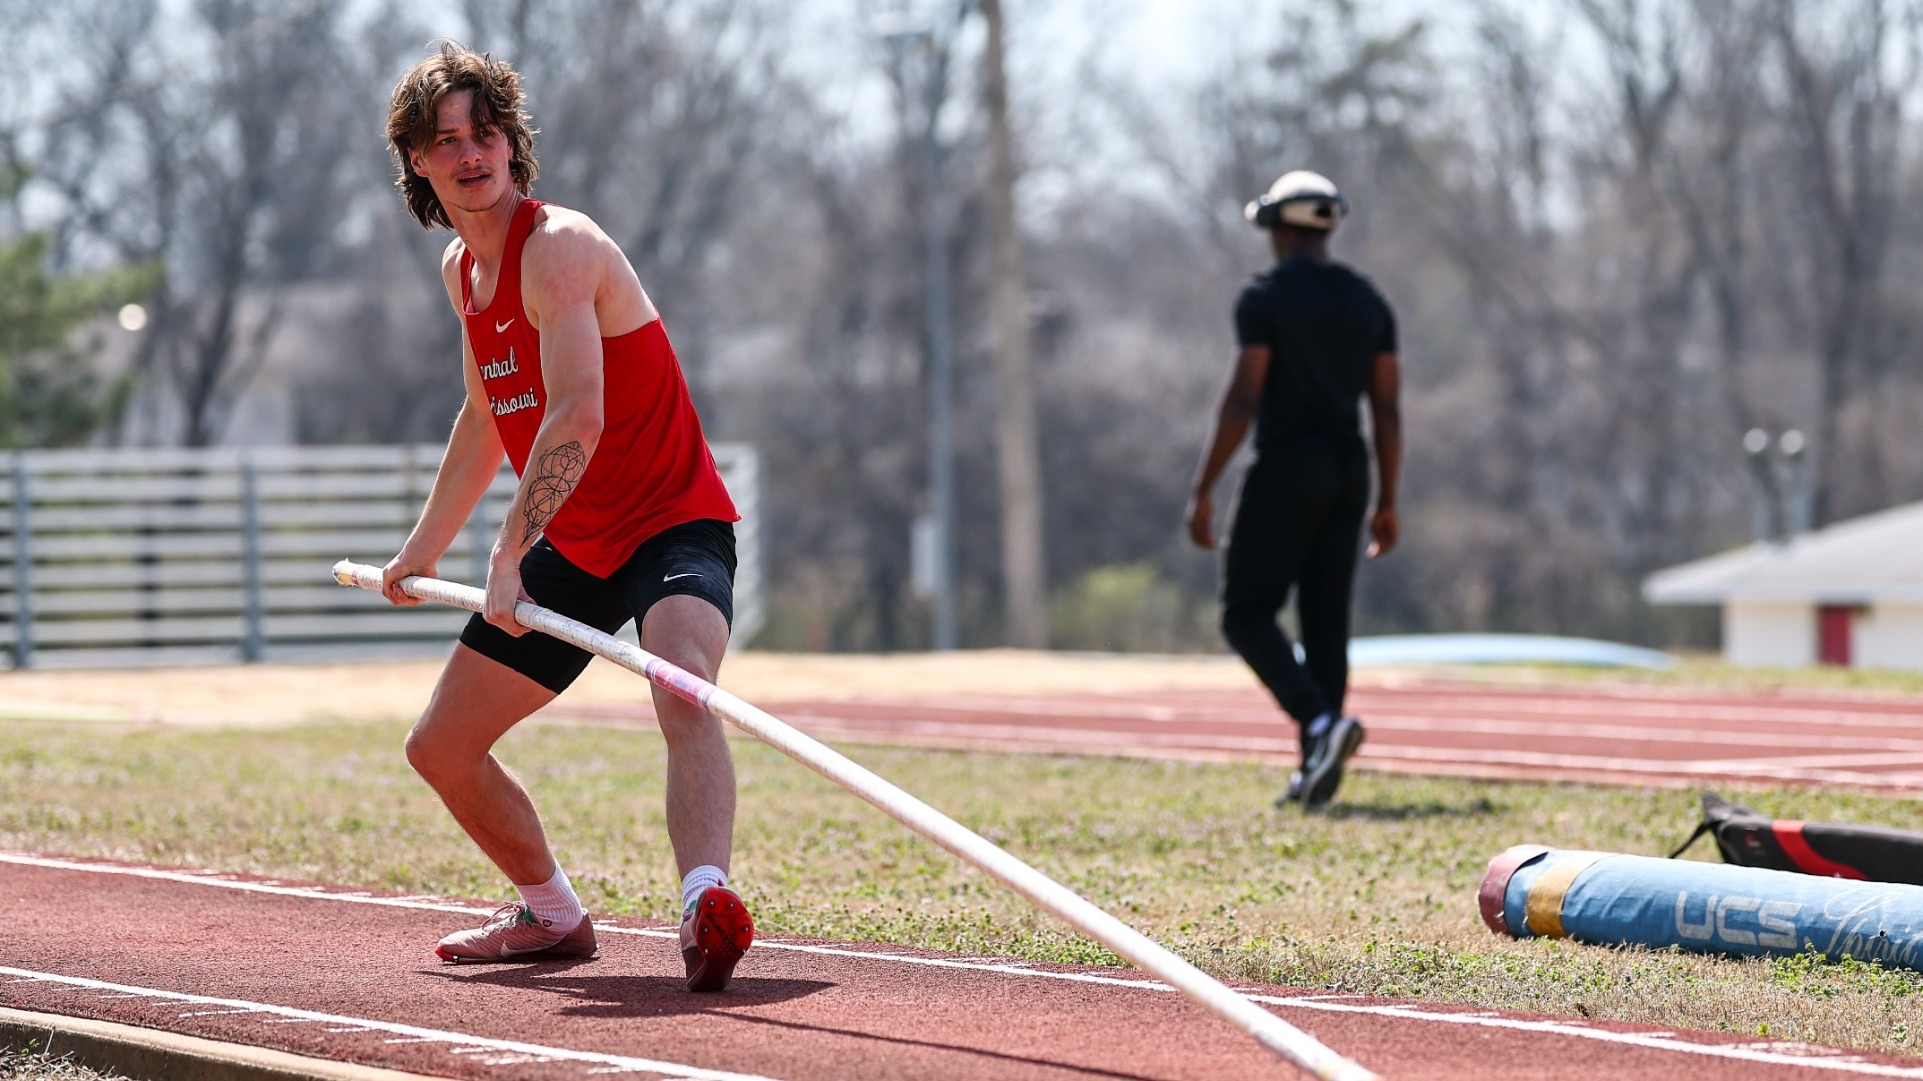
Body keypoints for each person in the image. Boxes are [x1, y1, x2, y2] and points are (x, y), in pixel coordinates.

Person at [377, 41, 753, 991]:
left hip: (671, 522)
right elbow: (480, 419)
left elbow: (576, 412)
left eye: (486, 131)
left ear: (512, 141)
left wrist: (508, 548)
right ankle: (551, 915)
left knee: (681, 682)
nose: (472, 153)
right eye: (446, 140)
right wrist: (419, 551)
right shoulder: (463, 271)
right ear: (418, 161)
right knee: (441, 749)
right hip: (575, 548)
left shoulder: (561, 249)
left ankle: (705, 903)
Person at [1185, 170, 1402, 811]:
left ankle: (1318, 724)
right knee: (1325, 621)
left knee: (1244, 612)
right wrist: (1388, 499)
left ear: (1278, 227)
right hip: (1350, 470)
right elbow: (1386, 408)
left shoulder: (1266, 296)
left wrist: (1203, 486)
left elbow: (1247, 393)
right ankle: (1317, 765)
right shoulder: (1369, 302)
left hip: (1287, 465)